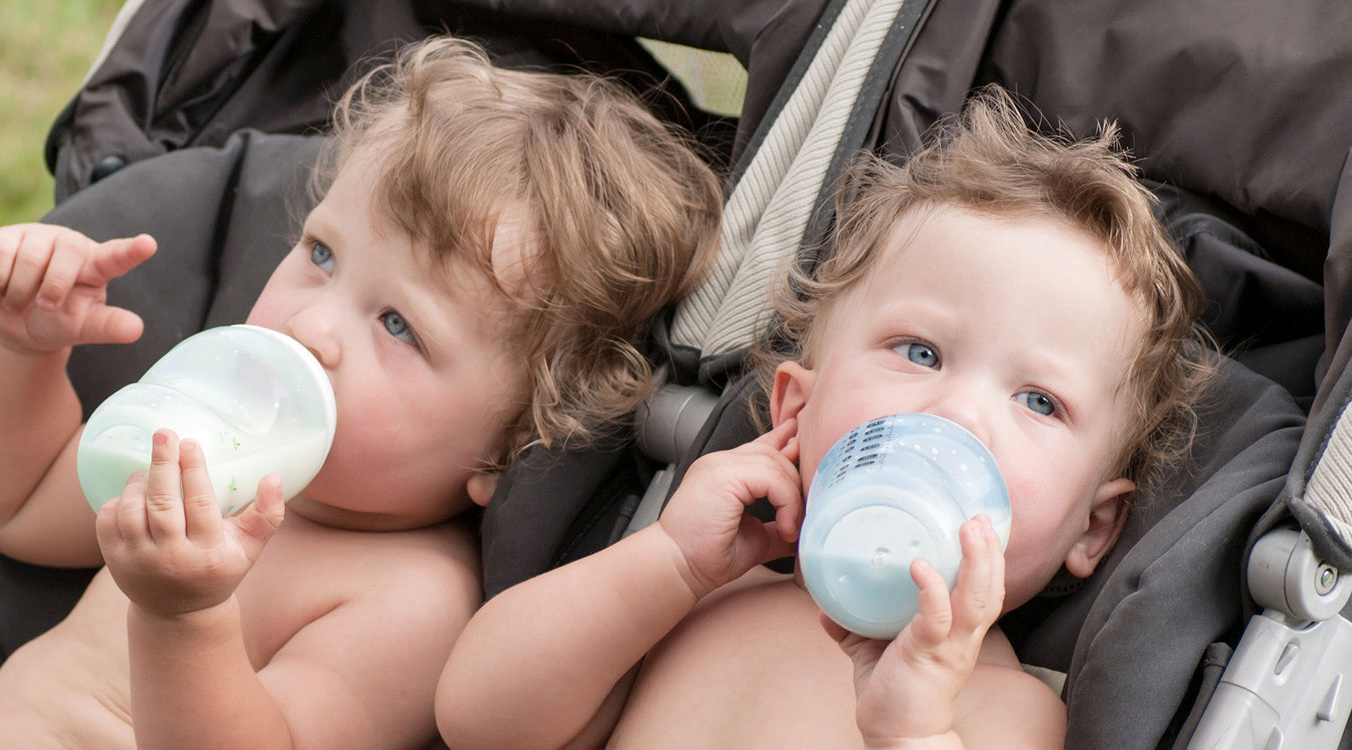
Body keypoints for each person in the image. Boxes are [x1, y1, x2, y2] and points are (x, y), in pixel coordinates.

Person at [0, 37, 720, 749]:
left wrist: (186, 617)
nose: (314, 327)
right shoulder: (200, 446)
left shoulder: (408, 599)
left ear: (506, 446)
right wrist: (14, 346)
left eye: (399, 325)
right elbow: (14, 502)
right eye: (320, 254)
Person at [435, 88, 1217, 749]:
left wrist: (912, 731)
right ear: (796, 413)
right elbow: (478, 721)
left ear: (1093, 530)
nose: (957, 413)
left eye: (1039, 401)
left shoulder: (1005, 711)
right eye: (918, 352)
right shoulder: (698, 605)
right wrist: (672, 562)